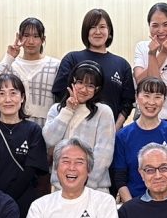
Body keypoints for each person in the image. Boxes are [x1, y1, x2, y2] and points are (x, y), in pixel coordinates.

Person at [0, 73, 48, 218]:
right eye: (1, 94)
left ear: (22, 97)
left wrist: (6, 199)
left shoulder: (33, 130)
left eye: (13, 93)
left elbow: (32, 170)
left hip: (24, 203)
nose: (8, 99)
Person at [52, 8, 135, 130]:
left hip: (110, 131)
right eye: (92, 27)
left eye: (102, 27)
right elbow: (60, 94)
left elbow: (127, 103)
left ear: (109, 31)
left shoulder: (122, 65)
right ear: (86, 31)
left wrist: (114, 130)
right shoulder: (72, 59)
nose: (97, 31)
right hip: (74, 130)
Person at [111, 76, 167, 203]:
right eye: (146, 96)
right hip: (135, 203)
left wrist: (160, 201)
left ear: (164, 100)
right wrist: (133, 207)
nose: (151, 102)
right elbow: (120, 178)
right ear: (137, 97)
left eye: (157, 97)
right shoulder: (123, 136)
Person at [43, 61, 115, 192]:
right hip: (61, 188)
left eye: (90, 86)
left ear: (97, 89)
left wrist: (83, 184)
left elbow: (104, 154)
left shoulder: (104, 112)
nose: (83, 89)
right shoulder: (57, 109)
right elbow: (49, 140)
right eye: (80, 82)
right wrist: (68, 110)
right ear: (72, 82)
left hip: (94, 189)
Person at [0, 17, 61, 126]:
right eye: (26, 36)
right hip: (13, 127)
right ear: (19, 37)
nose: (31, 41)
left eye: (36, 36)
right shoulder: (11, 65)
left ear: (43, 39)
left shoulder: (55, 65)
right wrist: (9, 57)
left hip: (46, 128)